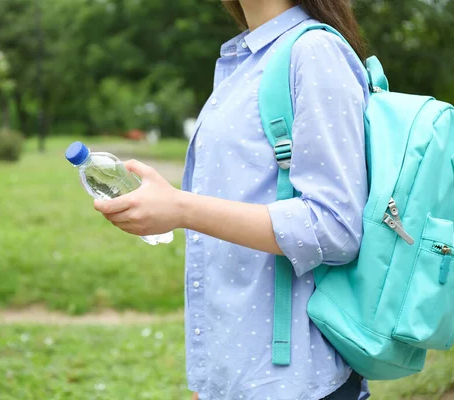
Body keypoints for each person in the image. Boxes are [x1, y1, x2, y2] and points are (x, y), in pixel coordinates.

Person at [94, 0, 371, 398]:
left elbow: (335, 226)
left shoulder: (313, 52)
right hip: (239, 377)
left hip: (296, 382)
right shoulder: (244, 61)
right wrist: (212, 382)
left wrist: (181, 208)